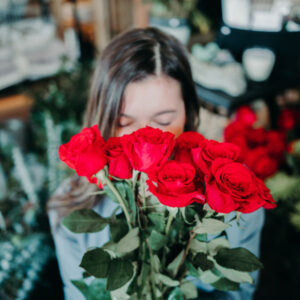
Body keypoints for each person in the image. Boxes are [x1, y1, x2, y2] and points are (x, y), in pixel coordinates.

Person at [48, 27, 264, 300]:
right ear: (102, 119)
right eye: (125, 122)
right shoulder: (70, 208)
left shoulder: (232, 198)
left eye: (163, 121)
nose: (143, 136)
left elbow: (239, 293)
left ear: (189, 114)